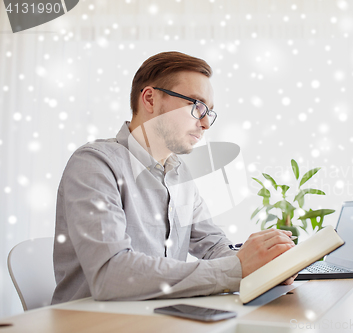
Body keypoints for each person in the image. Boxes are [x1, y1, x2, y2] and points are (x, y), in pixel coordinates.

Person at [51, 51, 296, 304]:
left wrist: (264, 265)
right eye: (196, 106)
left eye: (209, 112)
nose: (206, 124)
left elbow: (211, 244)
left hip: (157, 318)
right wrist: (237, 269)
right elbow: (110, 274)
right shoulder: (95, 164)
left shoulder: (179, 175)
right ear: (150, 99)